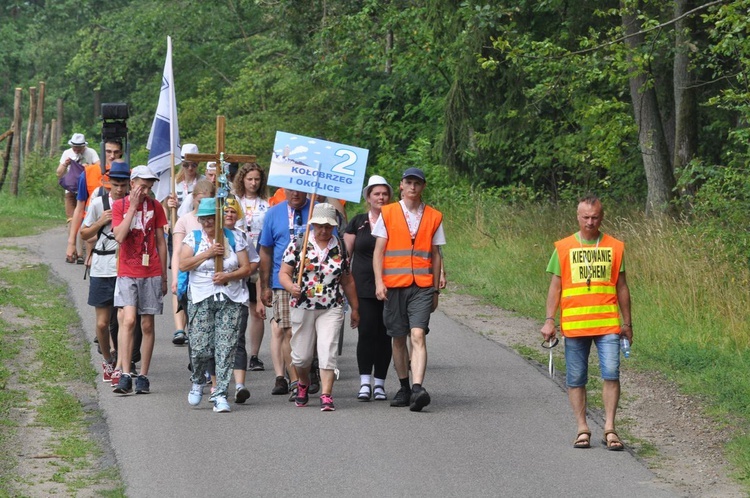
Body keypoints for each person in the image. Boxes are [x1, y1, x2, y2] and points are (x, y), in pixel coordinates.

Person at [540, 194, 632, 451]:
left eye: (595, 217)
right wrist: (549, 320)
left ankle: (610, 428)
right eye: (585, 217)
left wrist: (628, 323)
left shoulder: (615, 247)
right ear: (577, 217)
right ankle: (582, 427)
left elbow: (622, 287)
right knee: (576, 378)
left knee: (611, 373)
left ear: (602, 217)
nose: (590, 222)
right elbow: (555, 287)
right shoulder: (564, 247)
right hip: (576, 324)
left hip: (607, 324)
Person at [372, 167, 445, 412]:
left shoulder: (434, 216)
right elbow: (379, 252)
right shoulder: (389, 213)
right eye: (409, 182)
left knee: (418, 335)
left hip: (422, 286)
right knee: (398, 337)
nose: (413, 187)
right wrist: (379, 282)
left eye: (417, 183)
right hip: (394, 285)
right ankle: (404, 386)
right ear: (401, 185)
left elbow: (436, 254)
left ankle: (417, 388)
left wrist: (435, 289)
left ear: (423, 187)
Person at [279, 203, 359, 411]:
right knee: (302, 356)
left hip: (331, 306)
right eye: (320, 226)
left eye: (328, 226)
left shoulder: (339, 246)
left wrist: (356, 308)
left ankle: (326, 394)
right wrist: (291, 286)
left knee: (327, 350)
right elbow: (284, 273)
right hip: (303, 305)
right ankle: (303, 383)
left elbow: (347, 280)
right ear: (312, 224)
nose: (324, 230)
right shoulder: (298, 244)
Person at [180, 198, 254, 413]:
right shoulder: (193, 238)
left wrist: (229, 276)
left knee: (225, 347)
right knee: (201, 345)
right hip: (201, 297)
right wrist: (207, 254)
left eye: (212, 218)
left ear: (219, 218)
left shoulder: (234, 237)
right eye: (204, 219)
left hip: (230, 298)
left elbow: (247, 268)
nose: (208, 223)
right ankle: (197, 380)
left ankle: (220, 393)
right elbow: (183, 264)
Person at [111, 165, 168, 395]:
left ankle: (143, 375)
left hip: (151, 270)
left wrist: (164, 275)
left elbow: (161, 242)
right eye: (142, 186)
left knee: (147, 323)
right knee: (129, 320)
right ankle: (125, 373)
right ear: (132, 183)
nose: (145, 191)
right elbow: (119, 236)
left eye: (149, 187)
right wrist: (133, 208)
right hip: (127, 270)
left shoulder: (155, 206)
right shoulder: (119, 205)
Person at [79, 161, 134, 382]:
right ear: (108, 183)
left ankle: (123, 364)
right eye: (115, 184)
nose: (119, 189)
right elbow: (84, 234)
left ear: (129, 184)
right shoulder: (99, 203)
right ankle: (107, 358)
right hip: (102, 267)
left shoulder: (133, 204)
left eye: (123, 184)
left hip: (125, 267)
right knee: (102, 323)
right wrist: (101, 221)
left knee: (124, 320)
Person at [344, 175, 393, 401]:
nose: (381, 197)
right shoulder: (358, 221)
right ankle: (365, 382)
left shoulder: (396, 220)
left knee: (385, 335)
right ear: (368, 197)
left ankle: (380, 383)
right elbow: (346, 255)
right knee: (366, 333)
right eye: (376, 194)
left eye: (384, 194)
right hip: (362, 286)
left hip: (391, 285)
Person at [259, 188, 311, 395]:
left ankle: (308, 370)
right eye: (291, 190)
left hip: (313, 282)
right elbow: (265, 250)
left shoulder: (317, 210)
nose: (295, 194)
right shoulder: (273, 213)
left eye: (300, 190)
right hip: (282, 281)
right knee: (288, 330)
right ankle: (295, 380)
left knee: (306, 331)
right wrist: (264, 286)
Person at [221, 198, 260, 403]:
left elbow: (254, 261)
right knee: (216, 342)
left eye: (233, 211)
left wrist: (240, 272)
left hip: (238, 295)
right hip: (213, 295)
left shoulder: (242, 236)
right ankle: (217, 385)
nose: (229, 214)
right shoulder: (211, 236)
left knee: (237, 340)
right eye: (226, 211)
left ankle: (239, 386)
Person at [234, 162, 270, 371]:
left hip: (260, 257)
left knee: (257, 310)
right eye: (250, 179)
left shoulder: (267, 203)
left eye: (257, 179)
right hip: (239, 258)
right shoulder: (234, 201)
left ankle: (254, 355)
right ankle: (237, 350)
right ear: (242, 180)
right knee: (238, 309)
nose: (253, 183)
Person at [170, 179, 216, 345]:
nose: (203, 205)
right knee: (195, 320)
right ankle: (195, 357)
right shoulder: (184, 220)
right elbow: (177, 252)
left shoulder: (217, 220)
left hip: (213, 277)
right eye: (200, 201)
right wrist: (175, 277)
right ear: (194, 198)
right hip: (190, 276)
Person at [66, 139, 124, 265]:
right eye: (108, 152)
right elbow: (80, 208)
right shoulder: (88, 173)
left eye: (116, 152)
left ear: (121, 153)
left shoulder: (129, 175)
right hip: (92, 238)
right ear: (102, 152)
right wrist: (71, 243)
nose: (112, 156)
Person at [57, 133, 100, 264]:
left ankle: (81, 253)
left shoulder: (91, 152)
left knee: (84, 219)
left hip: (86, 190)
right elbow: (58, 173)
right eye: (74, 147)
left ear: (84, 146)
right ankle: (72, 248)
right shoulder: (67, 153)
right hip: (70, 190)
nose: (76, 149)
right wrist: (65, 164)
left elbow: (99, 168)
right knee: (71, 220)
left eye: (79, 147)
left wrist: (89, 167)